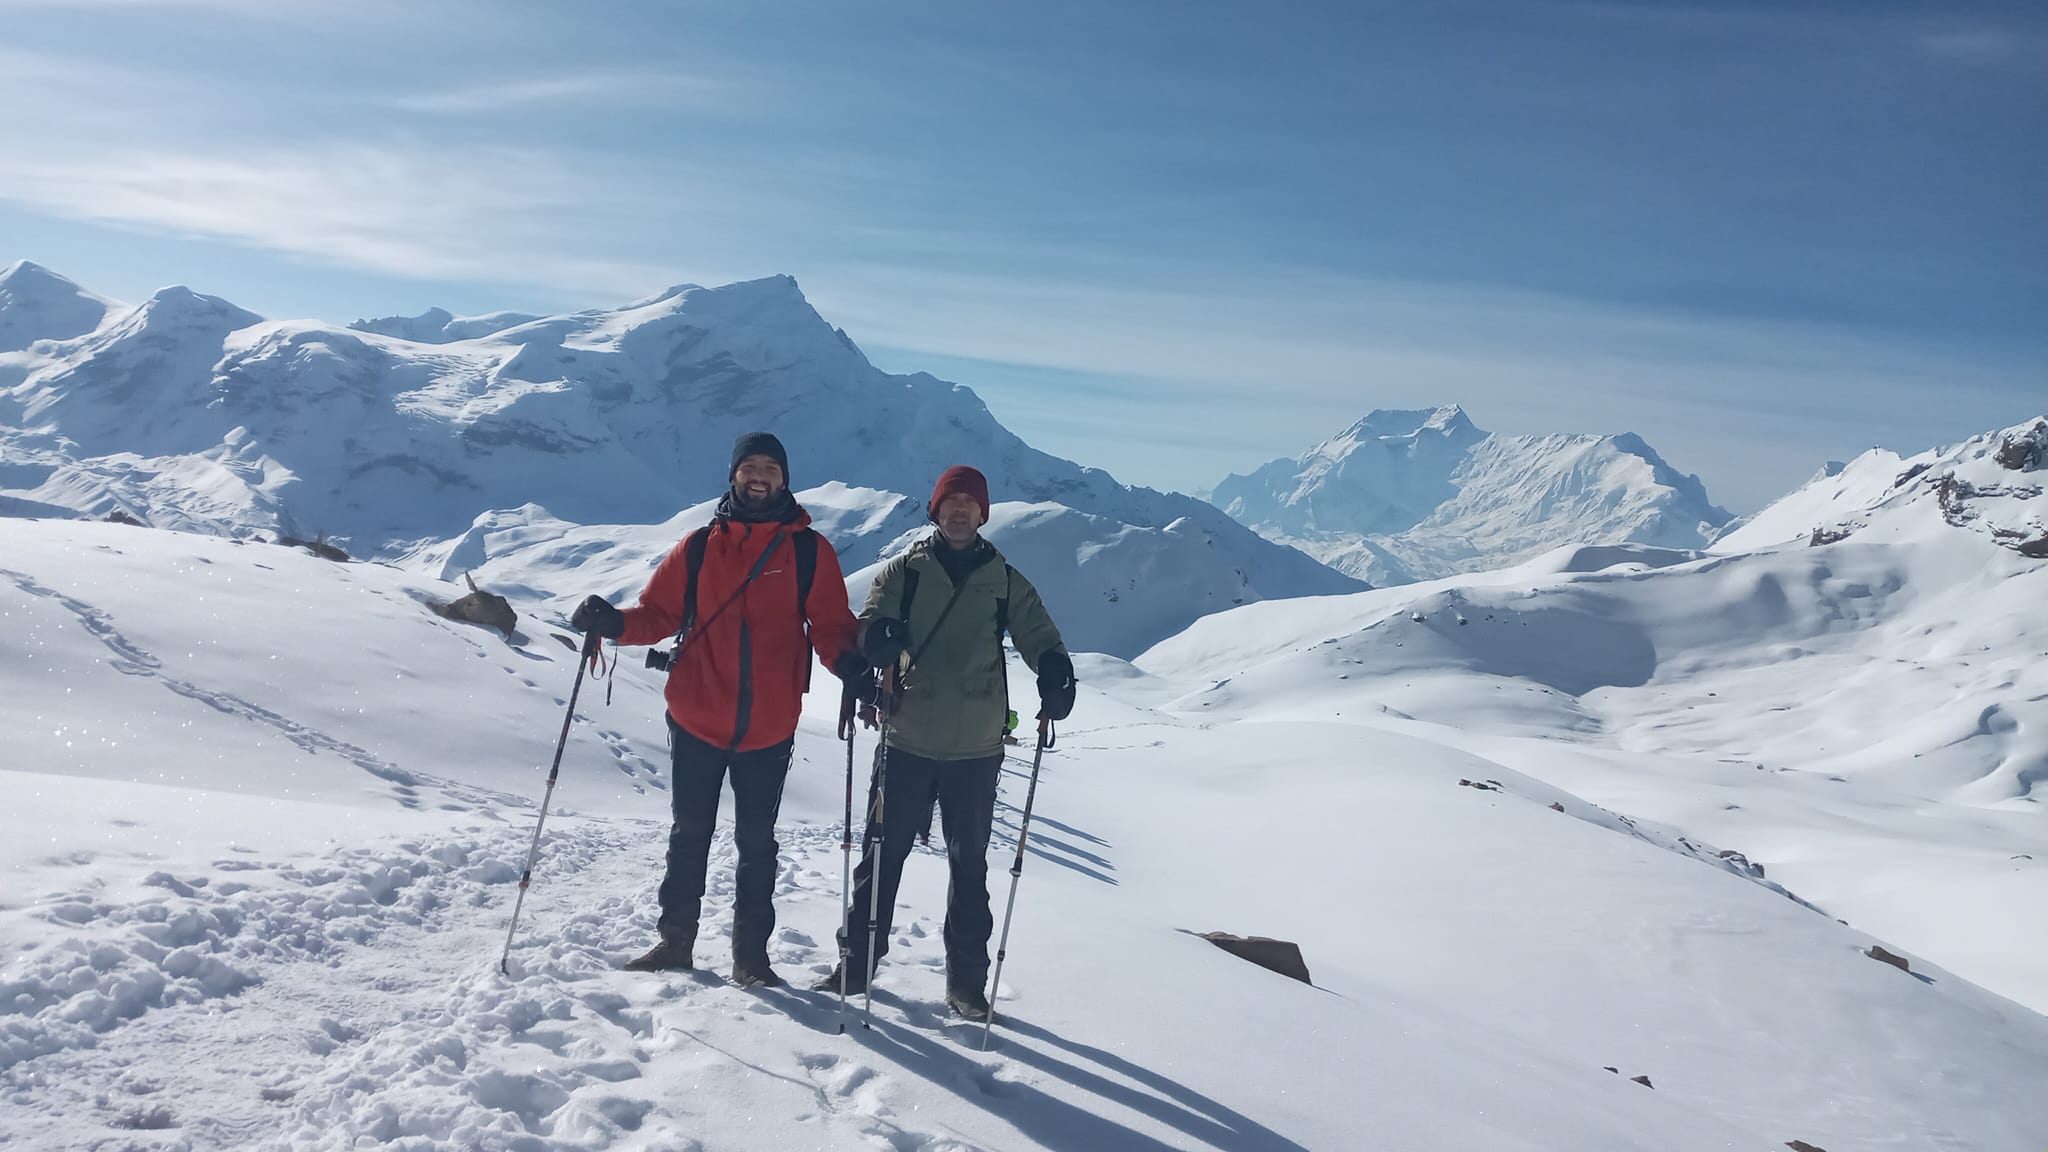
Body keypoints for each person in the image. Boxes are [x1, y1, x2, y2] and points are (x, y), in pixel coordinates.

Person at [571, 432, 865, 987]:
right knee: (690, 832)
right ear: (733, 475)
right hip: (696, 713)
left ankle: (750, 960)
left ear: (785, 478)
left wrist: (849, 662)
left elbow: (830, 626)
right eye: (749, 466)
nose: (759, 476)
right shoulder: (699, 547)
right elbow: (658, 614)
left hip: (769, 723)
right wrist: (615, 623)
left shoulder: (808, 551)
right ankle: (675, 942)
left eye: (770, 468)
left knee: (757, 844)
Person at [813, 464, 1076, 1020]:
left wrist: (1054, 671)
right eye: (950, 502)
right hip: (907, 739)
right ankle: (856, 968)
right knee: (880, 862)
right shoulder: (905, 574)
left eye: (970, 504)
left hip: (976, 750)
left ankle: (966, 986)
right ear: (936, 511)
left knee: (970, 870)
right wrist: (875, 638)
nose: (960, 512)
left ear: (983, 514)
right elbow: (871, 624)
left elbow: (1039, 634)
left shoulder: (1005, 581)